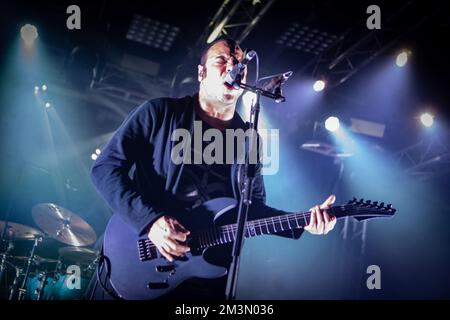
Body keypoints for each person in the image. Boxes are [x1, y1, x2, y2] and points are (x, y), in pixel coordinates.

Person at [87, 38, 336, 300]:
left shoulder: (249, 139)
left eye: (239, 62)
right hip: (140, 259)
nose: (234, 66)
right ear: (201, 72)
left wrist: (304, 222)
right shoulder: (159, 113)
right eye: (222, 60)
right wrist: (149, 221)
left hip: (203, 280)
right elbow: (105, 168)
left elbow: (250, 211)